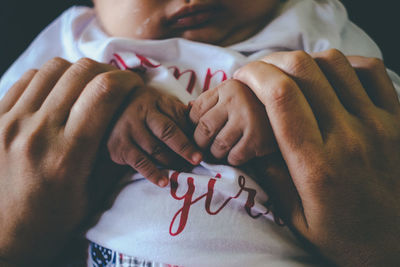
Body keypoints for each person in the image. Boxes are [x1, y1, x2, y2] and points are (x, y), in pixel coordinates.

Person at [0, 0, 399, 266]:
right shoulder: (78, 37)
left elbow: (375, 119)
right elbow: (17, 130)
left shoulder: (310, 20)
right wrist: (103, 120)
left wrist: (283, 111)